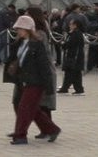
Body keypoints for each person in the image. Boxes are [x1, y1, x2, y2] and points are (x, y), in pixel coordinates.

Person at [8, 14, 61, 145]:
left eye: (20, 28)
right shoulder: (20, 43)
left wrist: (49, 86)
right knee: (33, 109)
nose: (18, 31)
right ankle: (52, 129)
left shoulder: (37, 45)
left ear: (28, 29)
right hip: (25, 80)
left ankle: (20, 135)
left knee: (24, 108)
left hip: (36, 82)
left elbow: (44, 66)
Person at [58, 18, 85, 95]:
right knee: (74, 73)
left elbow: (70, 44)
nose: (69, 26)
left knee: (71, 72)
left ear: (75, 25)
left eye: (71, 24)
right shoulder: (73, 33)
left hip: (74, 56)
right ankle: (77, 88)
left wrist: (63, 44)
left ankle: (67, 88)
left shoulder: (76, 34)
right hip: (73, 56)